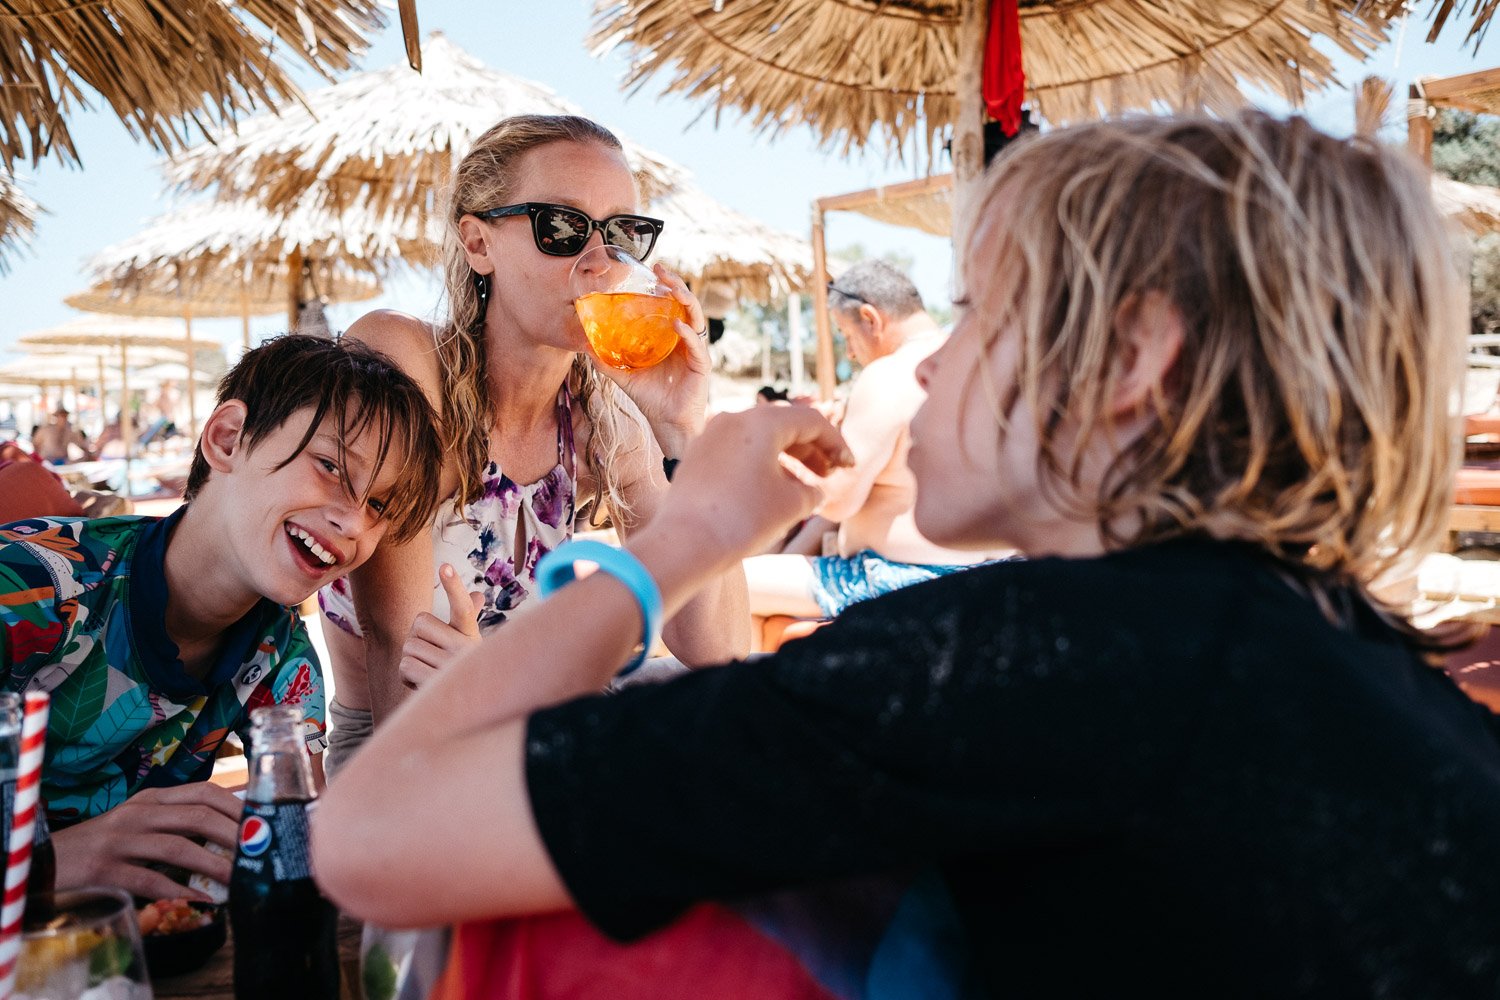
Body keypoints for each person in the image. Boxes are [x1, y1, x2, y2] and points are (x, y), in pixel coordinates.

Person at [314, 112, 1500, 997]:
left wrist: (691, 533)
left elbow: (369, 837)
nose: (928, 362)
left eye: (980, 308)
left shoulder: (1020, 665)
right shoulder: (1357, 661)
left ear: (1136, 359)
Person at [316, 114, 749, 772]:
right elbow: (398, 681)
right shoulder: (403, 362)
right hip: (407, 765)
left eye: (621, 233)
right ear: (477, 243)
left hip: (543, 724)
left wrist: (684, 433)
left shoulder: (605, 413)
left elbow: (714, 645)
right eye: (563, 228)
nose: (599, 261)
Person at [0, 335, 441, 902]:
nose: (354, 523)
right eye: (331, 467)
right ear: (228, 439)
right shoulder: (30, 586)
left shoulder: (282, 664)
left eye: (380, 505)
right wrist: (53, 864)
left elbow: (304, 843)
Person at [745, 261, 1009, 645]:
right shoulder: (979, 362)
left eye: (846, 336)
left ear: (871, 318)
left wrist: (793, 450)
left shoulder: (889, 375)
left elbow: (837, 504)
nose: (850, 353)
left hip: (896, 578)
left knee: (725, 585)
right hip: (980, 572)